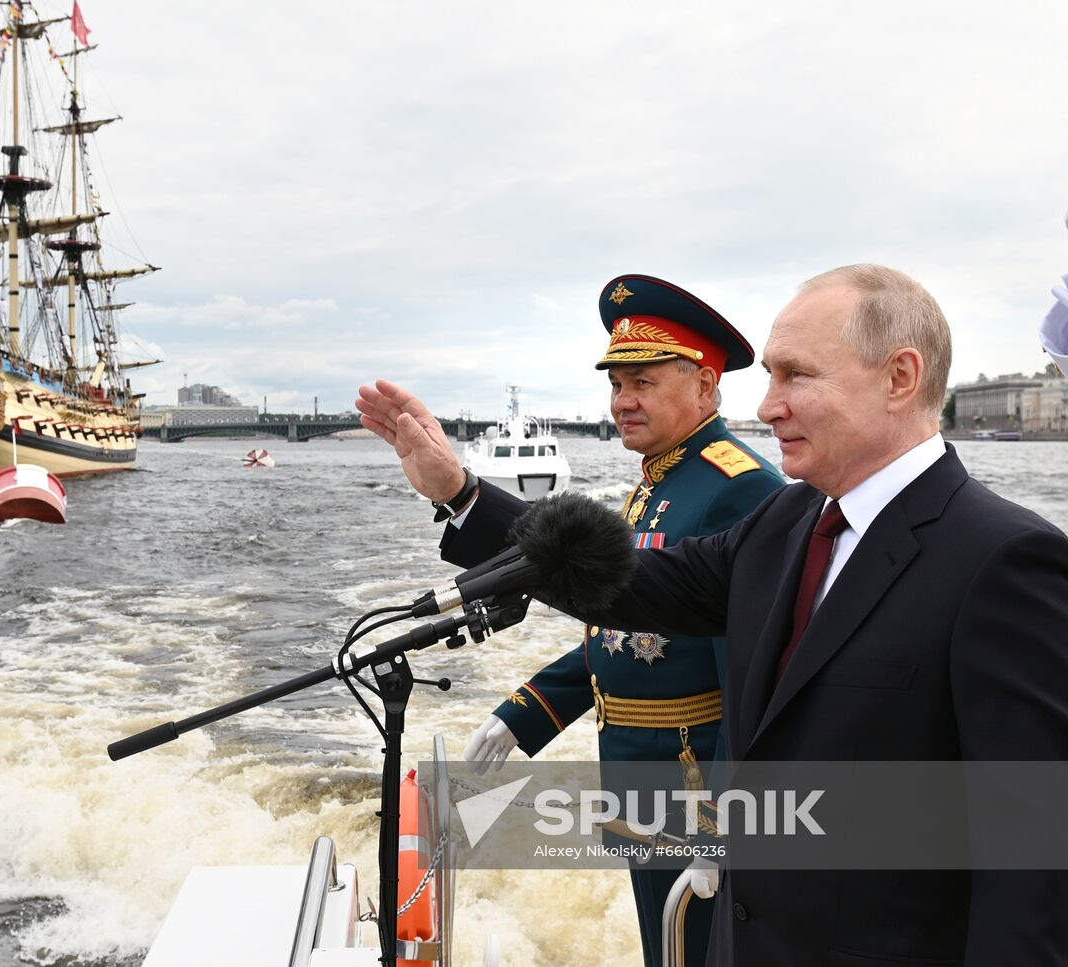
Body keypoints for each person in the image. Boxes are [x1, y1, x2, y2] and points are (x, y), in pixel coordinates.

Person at [357, 264, 1068, 965]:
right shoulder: (788, 521)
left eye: (796, 375)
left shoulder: (1006, 560)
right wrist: (461, 492)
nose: (766, 405)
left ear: (900, 378)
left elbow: (1034, 857)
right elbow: (631, 585)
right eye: (771, 377)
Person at [456, 274, 783, 967]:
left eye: (643, 381)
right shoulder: (657, 482)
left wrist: (725, 827)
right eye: (616, 384)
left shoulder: (741, 487)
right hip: (642, 783)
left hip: (694, 793)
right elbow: (630, 628)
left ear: (704, 385)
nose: (623, 401)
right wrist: (530, 709)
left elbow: (752, 676)